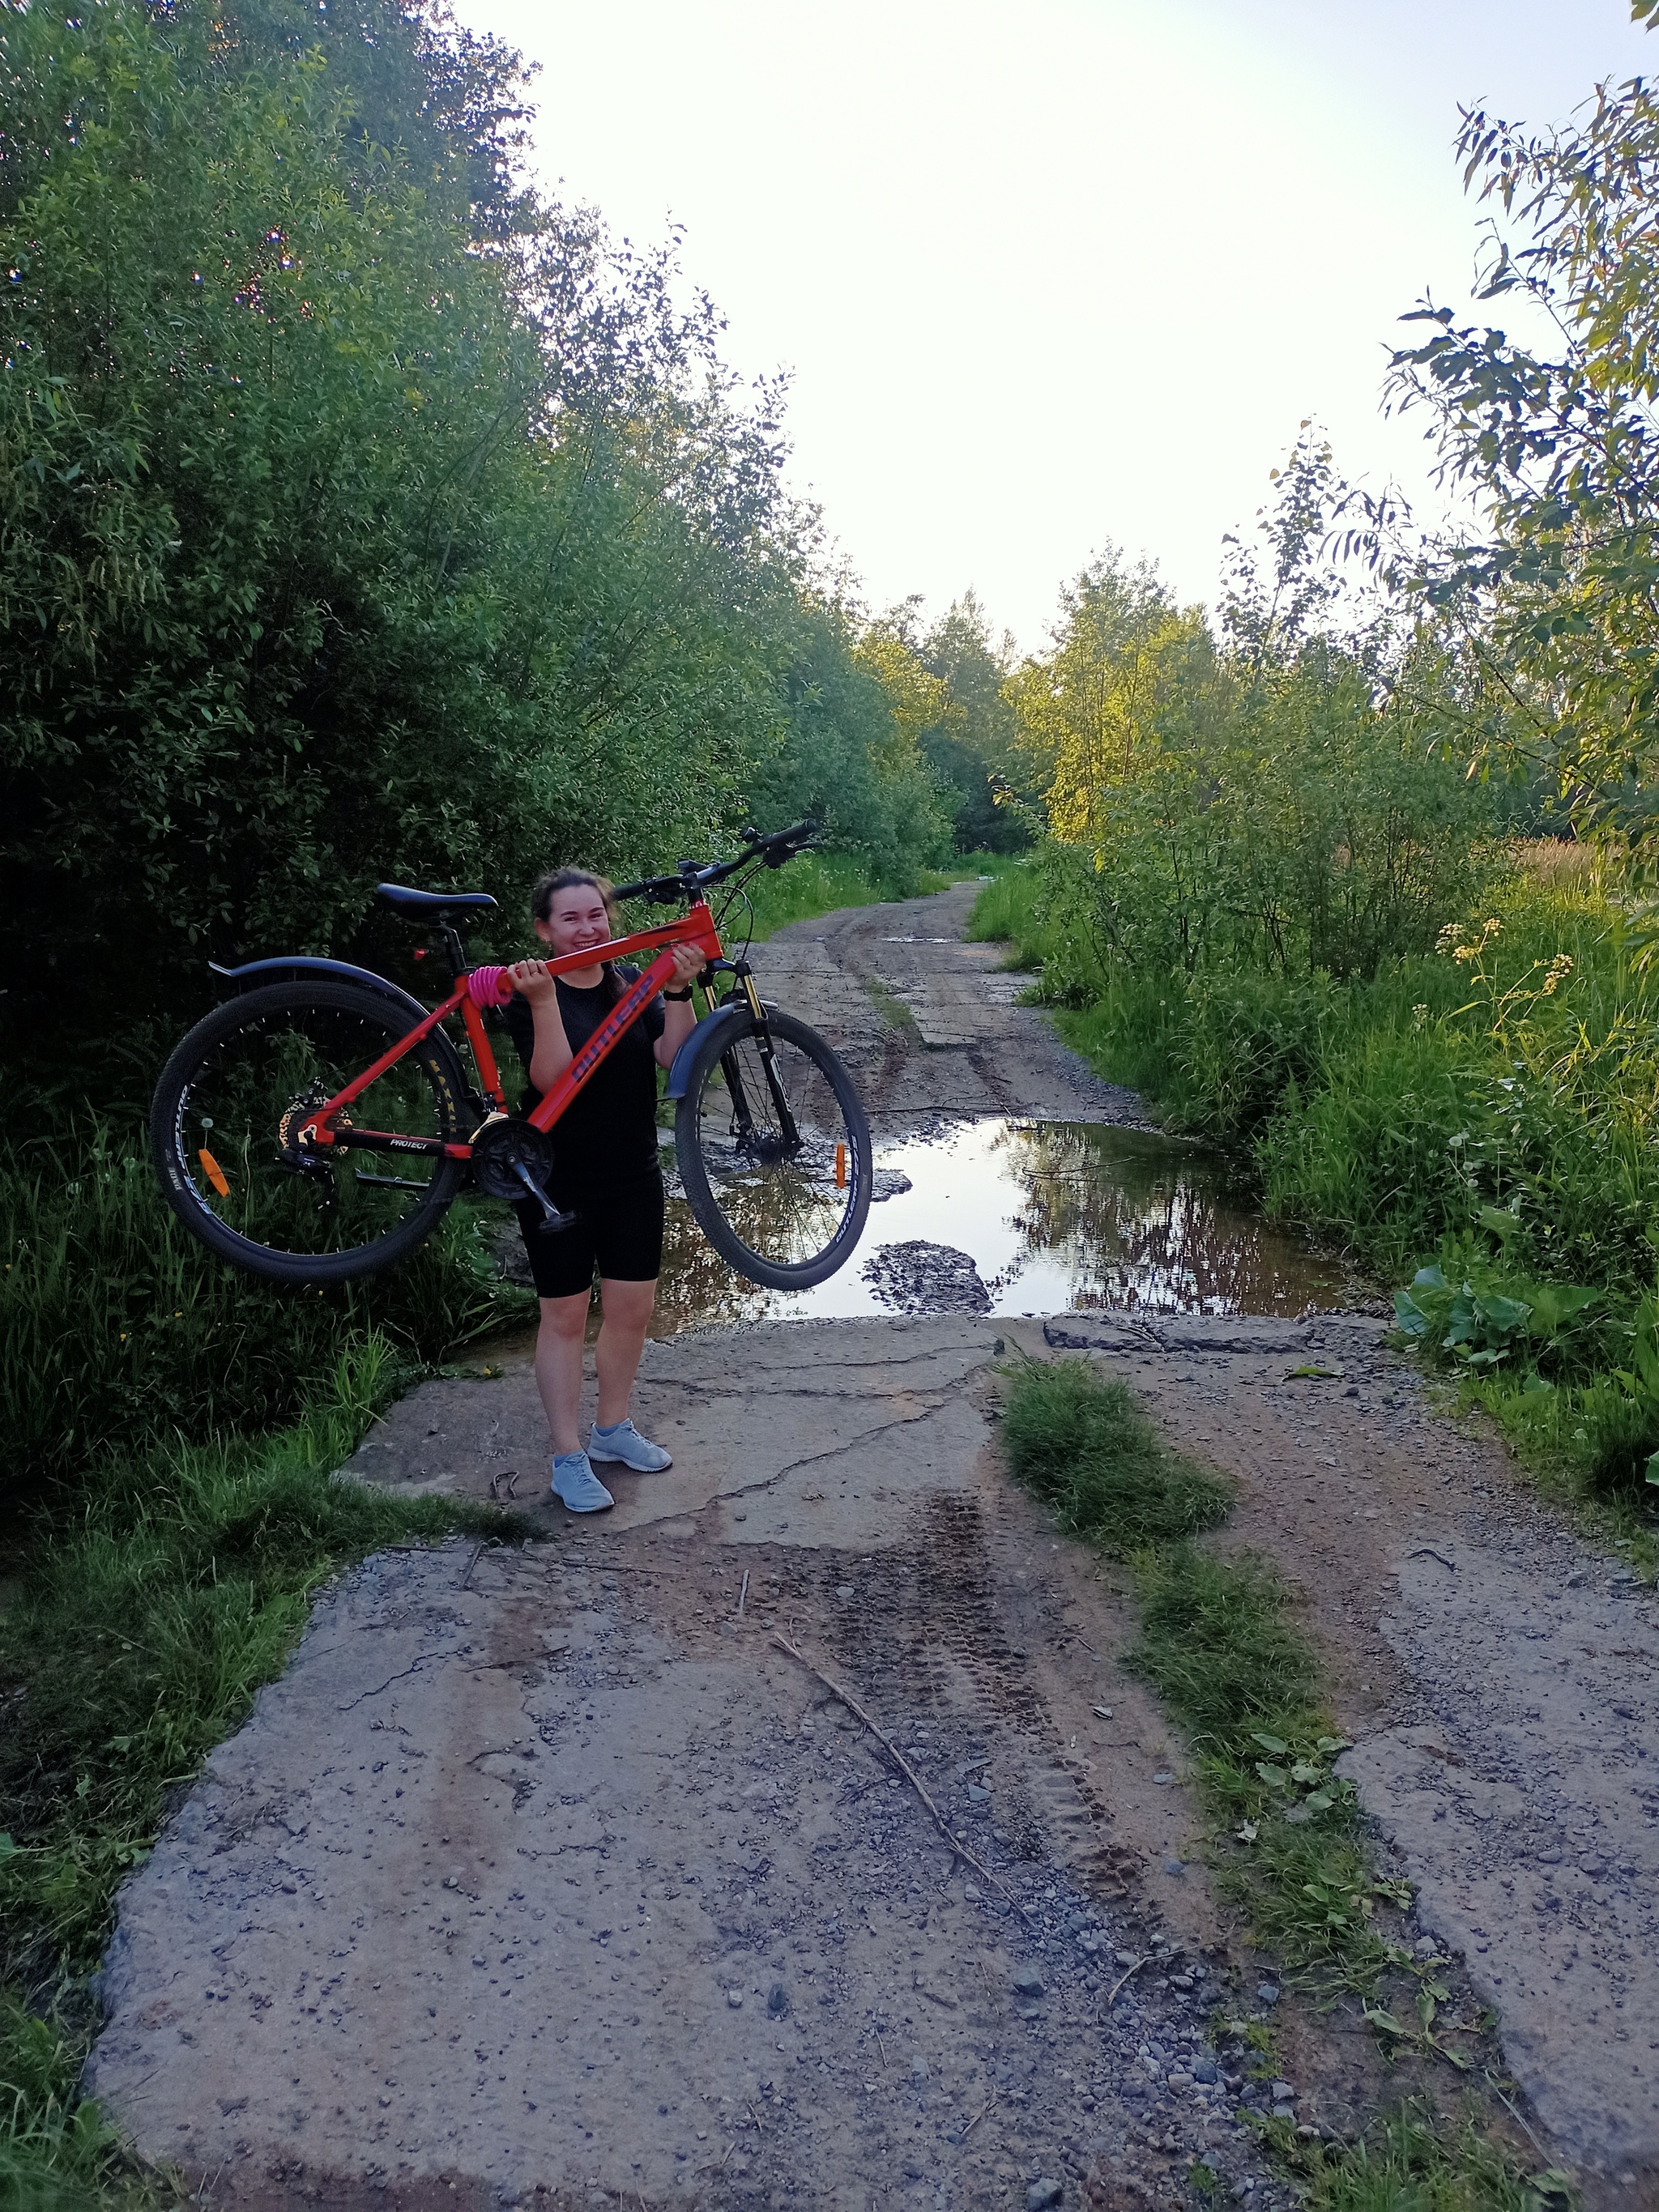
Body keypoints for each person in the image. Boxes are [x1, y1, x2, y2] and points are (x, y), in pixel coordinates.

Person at [503, 867, 702, 1512]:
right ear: (544, 929)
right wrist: (540, 1002)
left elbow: (676, 1056)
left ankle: (612, 1430)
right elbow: (554, 1079)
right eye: (570, 918)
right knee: (563, 1318)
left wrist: (677, 990)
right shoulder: (531, 991)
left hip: (634, 1174)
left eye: (596, 914)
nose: (587, 927)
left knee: (631, 1310)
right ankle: (567, 1457)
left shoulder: (627, 984)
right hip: (557, 1179)